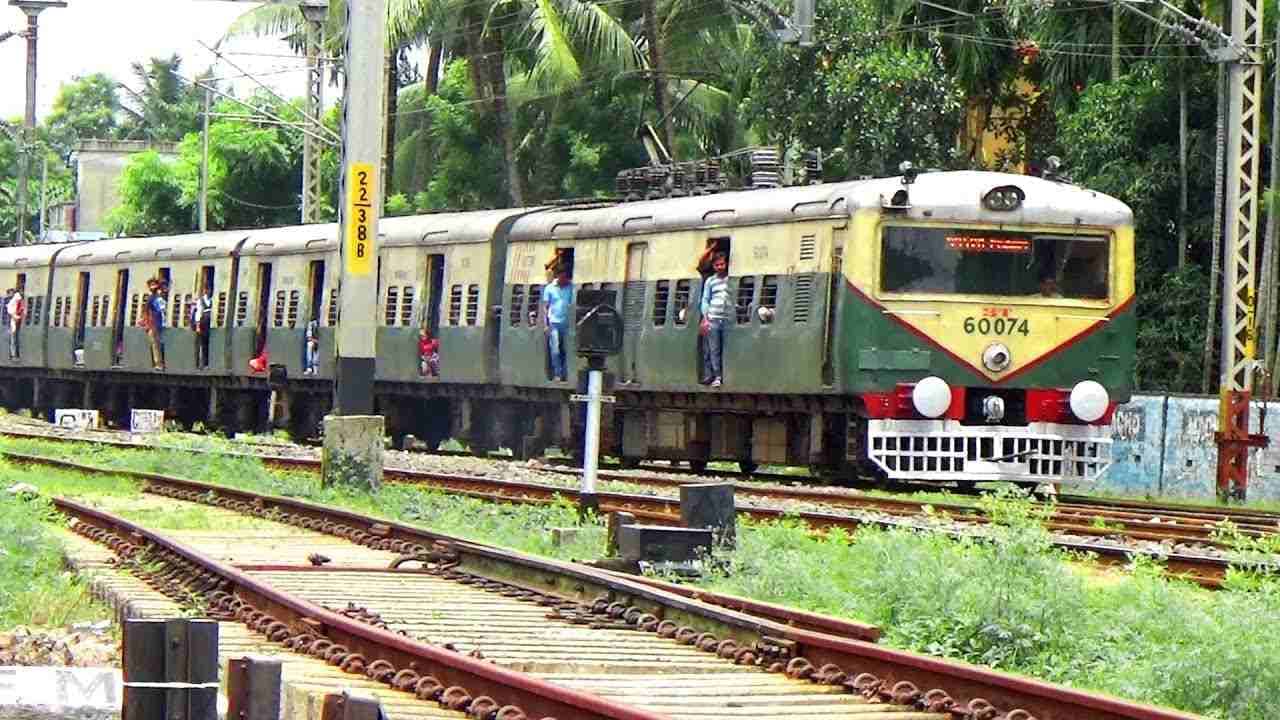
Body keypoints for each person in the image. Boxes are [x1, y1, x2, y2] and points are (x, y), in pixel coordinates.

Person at [699, 253, 731, 388]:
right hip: (713, 319)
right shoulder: (710, 281)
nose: (720, 267)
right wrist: (706, 318)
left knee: (726, 349)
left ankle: (722, 375)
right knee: (714, 349)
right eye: (717, 265)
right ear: (713, 266)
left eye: (722, 264)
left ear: (726, 264)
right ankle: (717, 376)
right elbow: (705, 300)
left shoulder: (730, 279)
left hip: (728, 319)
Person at [541, 267, 573, 382]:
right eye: (562, 277)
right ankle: (557, 374)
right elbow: (545, 307)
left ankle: (565, 373)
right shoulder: (549, 288)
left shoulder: (571, 287)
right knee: (555, 349)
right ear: (557, 276)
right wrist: (545, 324)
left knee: (566, 349)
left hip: (567, 323)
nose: (564, 279)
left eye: (565, 277)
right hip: (554, 323)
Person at [193, 287, 213, 368]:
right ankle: (197, 363)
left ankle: (206, 363)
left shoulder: (211, 300)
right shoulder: (200, 301)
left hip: (208, 324)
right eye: (208, 290)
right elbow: (198, 313)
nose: (209, 291)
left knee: (206, 344)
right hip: (202, 323)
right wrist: (198, 326)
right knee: (200, 343)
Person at [6, 286, 24, 360]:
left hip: (16, 322)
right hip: (13, 323)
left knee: (15, 340)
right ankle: (13, 355)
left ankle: (15, 355)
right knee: (13, 340)